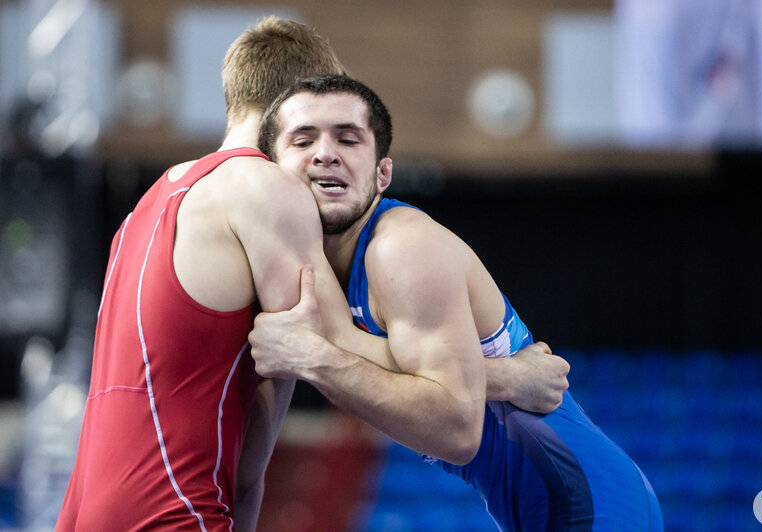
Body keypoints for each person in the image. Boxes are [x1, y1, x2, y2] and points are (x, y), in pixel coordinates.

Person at [56, 17, 568, 532]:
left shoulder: (151, 203)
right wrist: (507, 377)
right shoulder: (266, 189)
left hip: (85, 508)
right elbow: (330, 351)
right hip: (171, 505)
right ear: (295, 106)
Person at [251, 74, 664, 531]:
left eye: (348, 139)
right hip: (548, 505)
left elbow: (454, 428)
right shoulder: (316, 263)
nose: (326, 152)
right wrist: (502, 376)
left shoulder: (399, 248)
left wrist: (313, 358)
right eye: (304, 139)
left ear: (382, 173)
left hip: (593, 503)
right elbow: (383, 362)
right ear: (272, 169)